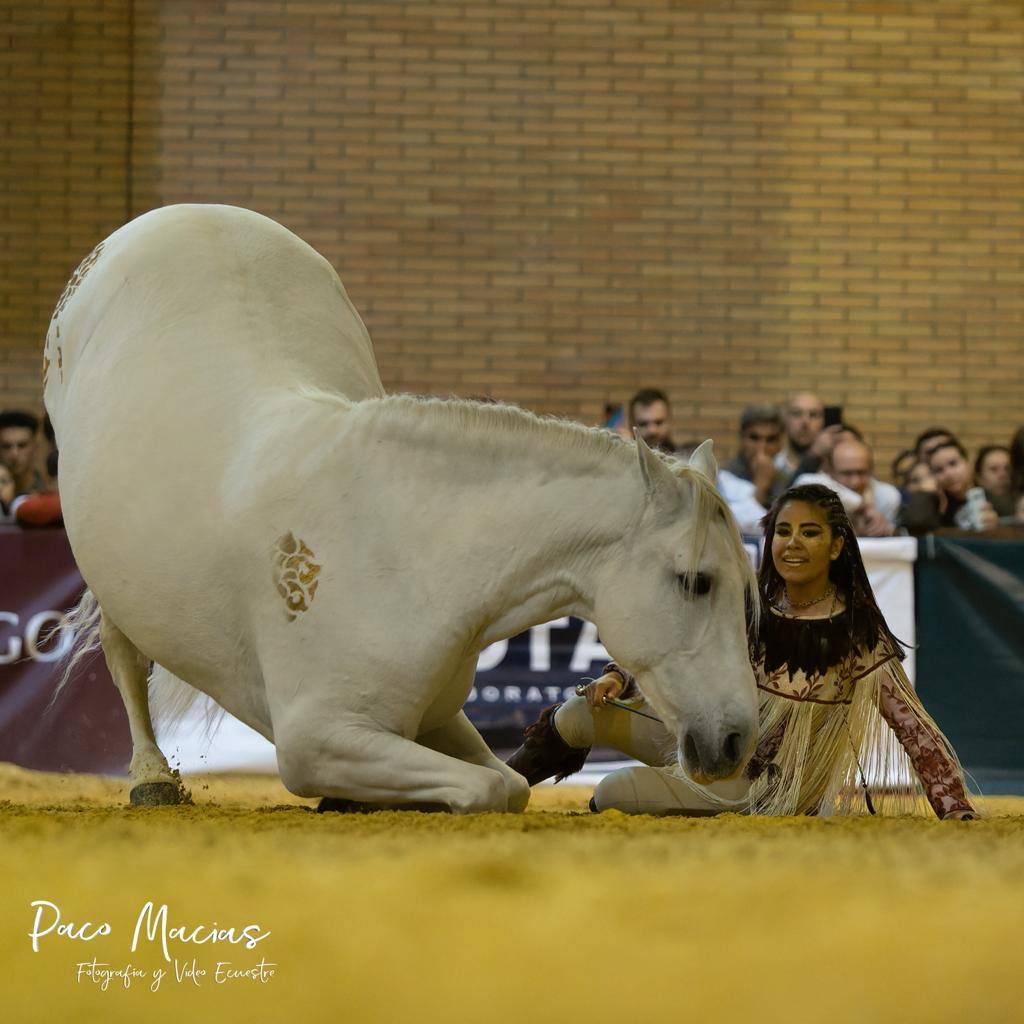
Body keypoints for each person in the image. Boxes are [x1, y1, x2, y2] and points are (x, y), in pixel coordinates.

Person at [506, 484, 978, 821]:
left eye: (809, 533)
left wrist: (954, 807)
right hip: (704, 744)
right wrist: (617, 678)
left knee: (615, 792)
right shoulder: (748, 604)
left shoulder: (857, 634)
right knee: (576, 716)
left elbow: (916, 730)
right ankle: (500, 789)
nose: (792, 543)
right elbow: (672, 650)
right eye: (783, 531)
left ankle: (663, 796)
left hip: (765, 787)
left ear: (836, 546)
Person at [794, 437, 900, 537]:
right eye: (847, 473)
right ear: (830, 471)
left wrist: (887, 530)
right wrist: (862, 507)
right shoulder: (814, 483)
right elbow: (805, 482)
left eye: (862, 472)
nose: (855, 482)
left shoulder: (886, 496)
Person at [717, 405, 791, 535]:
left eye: (770, 439)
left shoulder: (787, 479)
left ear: (780, 443)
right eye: (754, 438)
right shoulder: (722, 477)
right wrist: (761, 485)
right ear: (742, 439)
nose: (762, 447)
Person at [902, 441, 999, 534]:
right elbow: (916, 523)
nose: (948, 474)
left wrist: (997, 528)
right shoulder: (935, 504)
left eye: (953, 463)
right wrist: (925, 492)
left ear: (968, 463)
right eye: (939, 470)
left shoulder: (992, 498)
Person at [776, 392, 825, 475]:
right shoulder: (773, 466)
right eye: (797, 413)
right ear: (784, 420)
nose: (805, 422)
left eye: (813, 415)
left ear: (822, 422)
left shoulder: (833, 471)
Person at [0, 410, 43, 496]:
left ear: (35, 448)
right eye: (6, 446)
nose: (14, 454)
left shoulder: (47, 493)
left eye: (22, 446)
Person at [627, 389, 676, 454]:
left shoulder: (686, 461)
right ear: (631, 424)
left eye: (659, 422)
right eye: (643, 424)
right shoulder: (619, 461)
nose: (652, 430)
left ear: (670, 422)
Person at [974, 445, 1015, 517]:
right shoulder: (972, 509)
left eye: (1007, 468)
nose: (1002, 474)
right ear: (979, 477)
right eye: (993, 469)